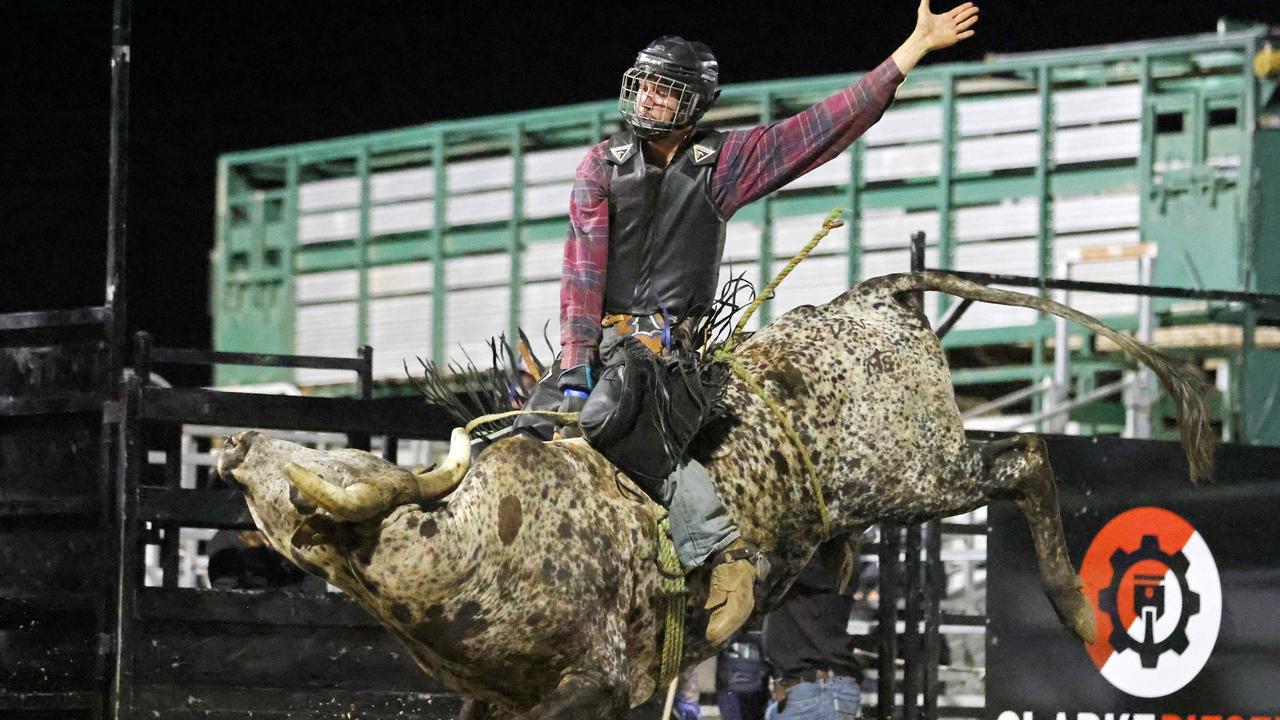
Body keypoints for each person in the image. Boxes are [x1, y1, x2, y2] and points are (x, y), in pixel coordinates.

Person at [514, 0, 980, 646]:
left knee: (604, 417)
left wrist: (910, 51)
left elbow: (822, 128)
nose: (647, 98)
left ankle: (722, 549)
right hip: (604, 345)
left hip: (667, 353)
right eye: (643, 84)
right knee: (528, 430)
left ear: (693, 102)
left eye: (663, 89)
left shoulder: (722, 164)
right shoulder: (601, 165)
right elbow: (582, 276)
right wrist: (574, 365)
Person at [761, 560, 864, 720]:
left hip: (815, 694)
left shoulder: (823, 562)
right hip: (808, 694)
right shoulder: (813, 567)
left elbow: (779, 560)